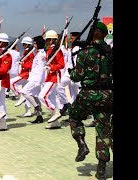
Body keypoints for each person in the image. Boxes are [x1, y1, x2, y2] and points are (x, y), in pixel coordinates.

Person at [68, 21, 113, 179]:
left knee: (74, 116)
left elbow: (76, 77)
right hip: (107, 97)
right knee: (103, 131)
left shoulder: (85, 52)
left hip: (87, 96)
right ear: (104, 35)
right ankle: (101, 169)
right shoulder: (110, 52)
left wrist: (71, 71)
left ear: (93, 34)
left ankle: (81, 144)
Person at [38, 30, 65, 129]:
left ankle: (55, 112)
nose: (48, 41)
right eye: (47, 40)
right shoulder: (50, 50)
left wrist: (51, 68)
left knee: (42, 96)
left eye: (49, 39)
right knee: (52, 99)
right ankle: (56, 122)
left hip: (54, 77)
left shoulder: (57, 50)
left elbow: (62, 65)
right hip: (49, 76)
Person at [19, 35, 47, 123]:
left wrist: (39, 81)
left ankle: (36, 107)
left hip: (36, 79)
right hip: (34, 77)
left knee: (24, 92)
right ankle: (39, 117)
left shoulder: (41, 54)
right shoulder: (38, 53)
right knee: (34, 96)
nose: (34, 45)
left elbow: (41, 68)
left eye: (35, 43)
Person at [10, 36, 35, 117]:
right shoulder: (26, 51)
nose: (23, 45)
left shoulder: (30, 53)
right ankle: (27, 110)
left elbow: (31, 65)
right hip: (23, 73)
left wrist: (22, 64)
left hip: (26, 74)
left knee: (11, 83)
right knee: (26, 92)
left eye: (24, 44)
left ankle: (20, 95)